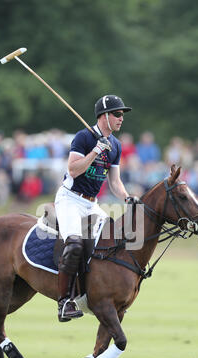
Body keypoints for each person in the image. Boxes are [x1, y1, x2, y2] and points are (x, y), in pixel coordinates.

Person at [54, 94, 138, 322]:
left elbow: (114, 182)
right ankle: (64, 302)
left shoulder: (116, 145)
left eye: (122, 115)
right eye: (118, 114)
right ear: (104, 116)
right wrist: (94, 152)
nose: (122, 119)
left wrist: (127, 198)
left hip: (92, 204)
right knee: (74, 244)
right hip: (70, 199)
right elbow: (73, 170)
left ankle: (102, 293)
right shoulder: (83, 138)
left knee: (114, 240)